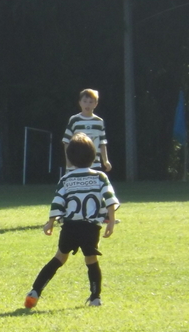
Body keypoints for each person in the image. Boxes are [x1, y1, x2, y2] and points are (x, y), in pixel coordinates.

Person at [24, 132, 119, 309]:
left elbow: (58, 202)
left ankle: (34, 292)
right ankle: (95, 298)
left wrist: (50, 222)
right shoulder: (100, 177)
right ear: (93, 156)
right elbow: (110, 199)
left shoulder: (66, 179)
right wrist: (111, 222)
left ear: (70, 157)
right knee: (91, 260)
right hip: (90, 228)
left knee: (59, 257)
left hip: (70, 227)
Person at [62, 89, 111, 172]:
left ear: (96, 104)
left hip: (95, 164)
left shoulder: (99, 122)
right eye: (85, 101)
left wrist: (106, 161)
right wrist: (69, 161)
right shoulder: (74, 120)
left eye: (91, 102)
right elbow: (66, 142)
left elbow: (102, 143)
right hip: (76, 164)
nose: (87, 104)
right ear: (80, 102)